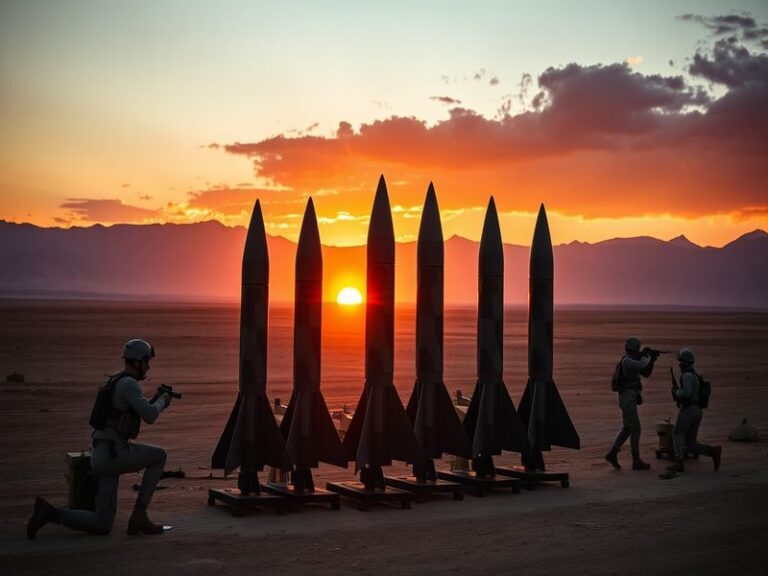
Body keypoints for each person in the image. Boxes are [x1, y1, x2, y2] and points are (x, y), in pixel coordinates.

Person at [27, 339, 173, 538]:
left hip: (101, 454)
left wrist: (155, 399)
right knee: (159, 456)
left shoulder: (115, 380)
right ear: (138, 361)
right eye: (147, 361)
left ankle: (51, 514)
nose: (148, 367)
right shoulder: (129, 384)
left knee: (103, 523)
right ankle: (140, 515)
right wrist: (163, 401)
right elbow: (149, 415)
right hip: (114, 454)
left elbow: (131, 409)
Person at [604, 337, 657, 470]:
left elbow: (646, 372)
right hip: (627, 398)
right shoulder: (627, 361)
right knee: (636, 428)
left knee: (628, 428)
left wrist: (652, 360)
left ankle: (613, 453)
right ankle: (636, 459)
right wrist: (647, 356)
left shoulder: (631, 360)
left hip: (629, 398)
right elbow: (642, 365)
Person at [667, 348, 722, 473]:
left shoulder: (686, 375)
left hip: (689, 410)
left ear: (686, 362)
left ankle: (679, 462)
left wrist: (676, 392)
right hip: (697, 411)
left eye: (681, 362)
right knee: (691, 444)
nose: (680, 364)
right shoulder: (694, 375)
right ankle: (713, 452)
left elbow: (687, 392)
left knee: (677, 432)